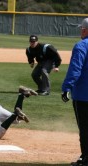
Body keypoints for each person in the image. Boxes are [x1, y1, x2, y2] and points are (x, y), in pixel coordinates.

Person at [61, 17, 88, 166]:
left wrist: (66, 88)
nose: (81, 31)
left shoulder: (81, 46)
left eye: (81, 29)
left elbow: (75, 70)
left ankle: (86, 159)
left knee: (85, 128)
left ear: (85, 30)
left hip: (84, 95)